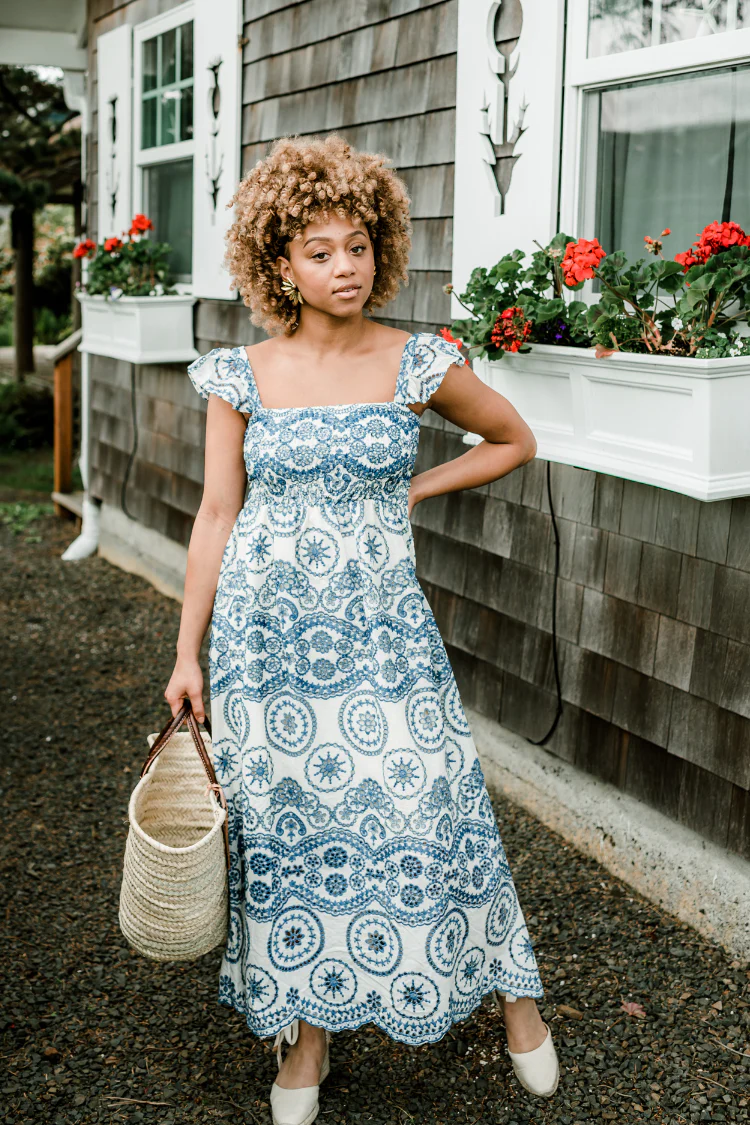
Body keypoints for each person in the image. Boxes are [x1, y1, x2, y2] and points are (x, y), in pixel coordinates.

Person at [165, 133, 559, 1125]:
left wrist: (418, 483)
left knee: (435, 802)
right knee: (288, 828)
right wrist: (186, 654)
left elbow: (513, 439)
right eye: (319, 251)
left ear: (382, 245)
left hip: (382, 632)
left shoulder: (421, 360)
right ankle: (306, 1039)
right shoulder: (239, 375)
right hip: (266, 644)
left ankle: (517, 999)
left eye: (359, 246)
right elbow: (217, 516)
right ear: (279, 265)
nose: (345, 268)